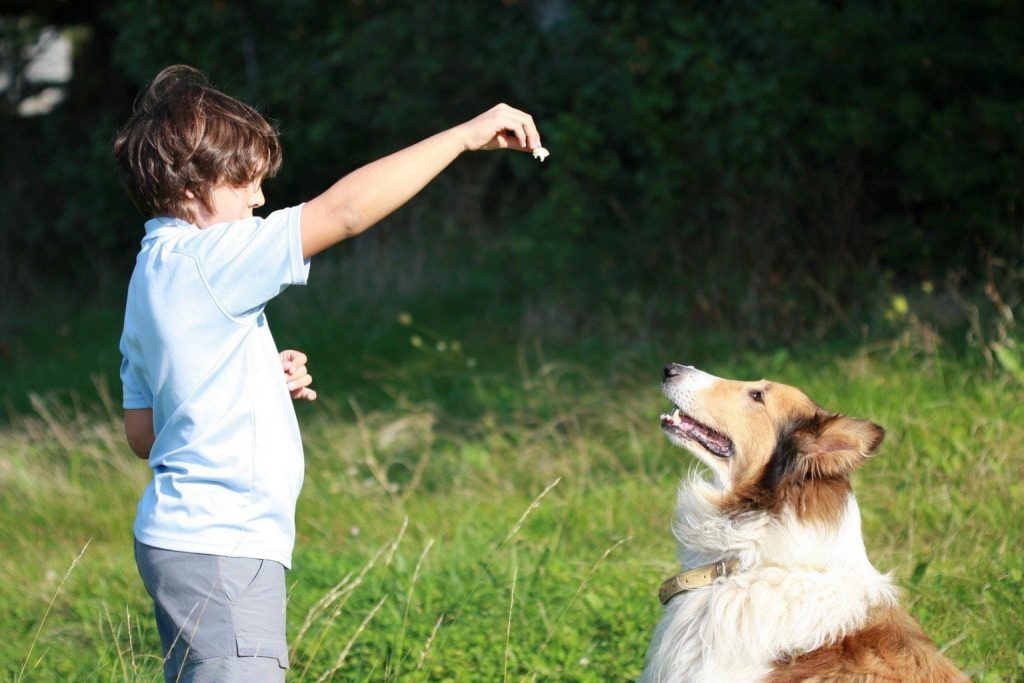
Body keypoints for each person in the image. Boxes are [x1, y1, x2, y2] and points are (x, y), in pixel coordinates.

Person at [114, 64, 542, 682]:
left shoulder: (152, 274)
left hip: (181, 541)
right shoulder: (209, 259)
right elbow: (340, 213)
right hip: (224, 545)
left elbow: (144, 433)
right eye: (245, 183)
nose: (260, 199)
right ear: (189, 188)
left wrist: (256, 379)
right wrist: (462, 137)